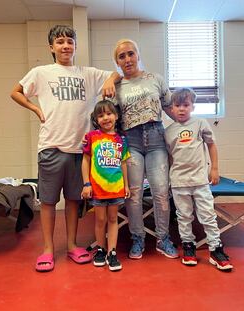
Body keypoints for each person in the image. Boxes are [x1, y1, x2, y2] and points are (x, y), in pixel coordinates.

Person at [10, 25, 121, 272]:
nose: (65, 46)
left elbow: (116, 74)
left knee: (73, 200)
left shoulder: (87, 73)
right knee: (49, 202)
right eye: (60, 42)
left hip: (79, 150)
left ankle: (71, 245)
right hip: (51, 146)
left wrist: (111, 81)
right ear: (51, 47)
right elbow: (15, 92)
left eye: (70, 41)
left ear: (76, 46)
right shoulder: (41, 72)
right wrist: (36, 109)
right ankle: (48, 250)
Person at [113, 39, 178, 259]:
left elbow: (171, 108)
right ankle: (137, 239)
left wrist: (189, 128)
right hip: (131, 141)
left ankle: (163, 238)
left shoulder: (155, 79)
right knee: (133, 194)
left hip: (156, 138)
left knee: (161, 191)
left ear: (138, 55)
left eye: (131, 54)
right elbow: (109, 118)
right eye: (122, 56)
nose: (127, 59)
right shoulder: (116, 85)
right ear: (117, 62)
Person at [164, 87, 233, 271]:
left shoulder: (201, 123)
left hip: (200, 181)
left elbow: (211, 145)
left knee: (207, 215)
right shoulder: (168, 131)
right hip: (179, 182)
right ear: (171, 108)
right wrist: (170, 179)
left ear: (192, 106)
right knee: (184, 216)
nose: (181, 109)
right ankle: (188, 246)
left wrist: (215, 169)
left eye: (186, 105)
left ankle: (216, 249)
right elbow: (171, 157)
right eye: (177, 105)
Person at [81, 100, 130, 271]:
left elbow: (123, 163)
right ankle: (101, 250)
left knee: (112, 219)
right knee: (100, 220)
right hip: (97, 189)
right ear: (96, 119)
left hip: (116, 188)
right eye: (100, 115)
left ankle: (112, 252)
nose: (105, 118)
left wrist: (127, 185)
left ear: (116, 116)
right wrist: (86, 183)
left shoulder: (122, 140)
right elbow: (85, 161)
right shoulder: (92, 137)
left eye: (109, 114)